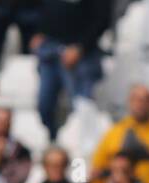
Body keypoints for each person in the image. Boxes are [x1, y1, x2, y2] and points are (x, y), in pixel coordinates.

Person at [30, 0, 111, 137]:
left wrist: (81, 48)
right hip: (50, 49)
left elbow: (102, 19)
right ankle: (53, 147)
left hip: (81, 55)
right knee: (44, 105)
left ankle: (78, 148)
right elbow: (43, 8)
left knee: (81, 108)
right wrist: (39, 31)